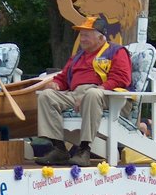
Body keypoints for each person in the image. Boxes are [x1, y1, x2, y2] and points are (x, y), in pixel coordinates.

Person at [35, 15, 132, 167]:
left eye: (86, 35)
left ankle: (84, 150)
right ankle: (59, 149)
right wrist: (56, 85)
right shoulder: (77, 57)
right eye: (81, 34)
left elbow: (122, 78)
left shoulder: (116, 51)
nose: (82, 38)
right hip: (76, 94)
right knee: (45, 96)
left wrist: (97, 89)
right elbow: (63, 78)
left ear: (101, 38)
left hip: (108, 96)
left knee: (92, 94)